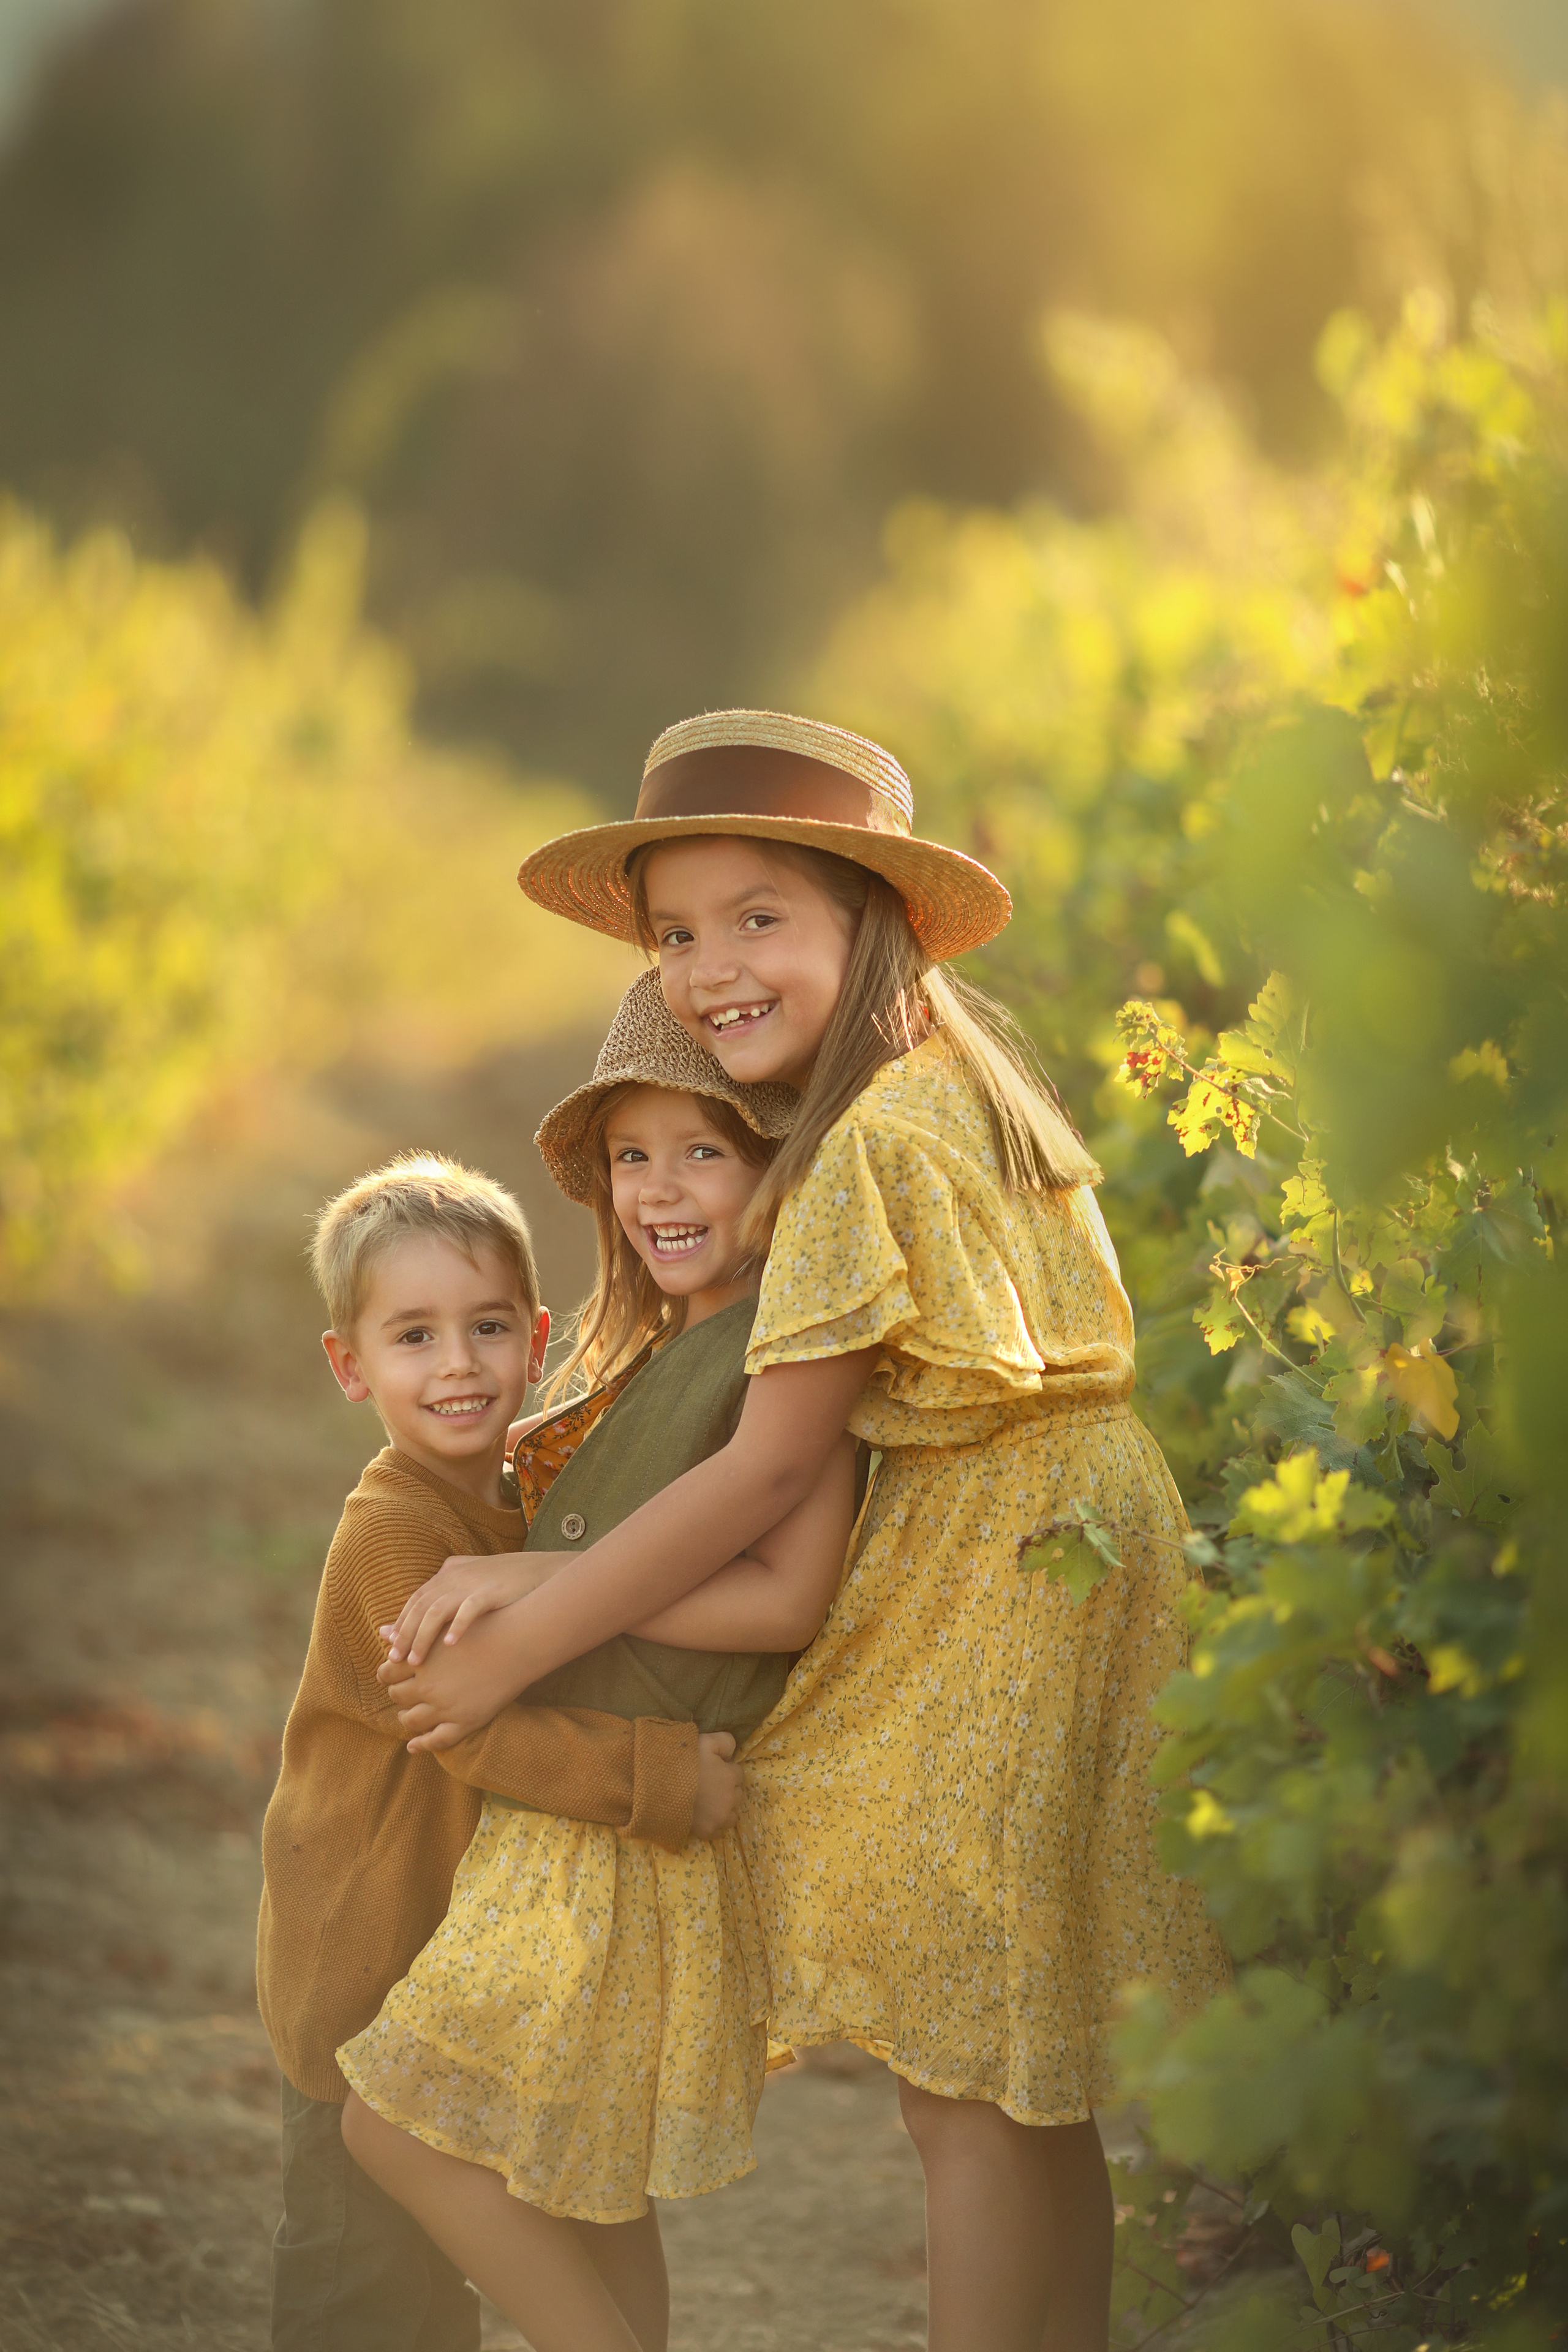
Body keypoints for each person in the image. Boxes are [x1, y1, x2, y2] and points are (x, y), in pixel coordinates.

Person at [382, 710, 1231, 2352]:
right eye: (674, 935)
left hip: (996, 1577)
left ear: (872, 917)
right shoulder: (966, 1091)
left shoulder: (863, 1150)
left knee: (962, 2076)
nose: (710, 971)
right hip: (1076, 1536)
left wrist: (528, 1628)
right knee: (1022, 2057)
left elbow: (764, 1477)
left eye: (757, 917)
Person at [335, 980, 861, 2352]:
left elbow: (783, 1600)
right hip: (584, 1821)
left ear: (780, 1170)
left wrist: (530, 1582)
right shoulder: (679, 1348)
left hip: (607, 1842)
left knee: (394, 2129)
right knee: (582, 2183)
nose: (658, 1189)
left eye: (704, 1151)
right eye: (632, 1156)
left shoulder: (784, 1350)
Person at [258, 1150, 735, 2352]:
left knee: (511, 2242)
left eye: (485, 1327)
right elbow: (467, 1733)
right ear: (350, 1368)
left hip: (470, 1964)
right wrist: (660, 1778)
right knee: (373, 2298)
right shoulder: (392, 1529)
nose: (459, 1365)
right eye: (413, 1337)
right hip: (368, 1959)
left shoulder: (534, 1489)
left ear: (536, 1337)